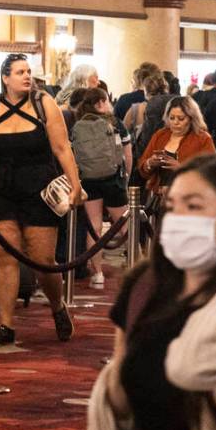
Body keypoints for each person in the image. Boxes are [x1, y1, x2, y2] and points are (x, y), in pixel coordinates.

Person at [88, 156, 216, 430]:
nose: (178, 218)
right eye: (172, 207)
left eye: (193, 206)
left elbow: (191, 371)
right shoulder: (144, 286)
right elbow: (119, 394)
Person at [0, 54, 83, 346]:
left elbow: (62, 148)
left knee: (42, 260)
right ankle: (6, 325)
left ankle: (57, 307)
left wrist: (75, 184)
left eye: (28, 71)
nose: (27, 76)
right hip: (1, 188)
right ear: (5, 78)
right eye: (20, 72)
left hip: (38, 187)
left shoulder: (45, 104)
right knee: (6, 257)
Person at [71, 88, 131, 288]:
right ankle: (136, 267)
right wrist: (127, 177)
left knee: (94, 227)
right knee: (124, 225)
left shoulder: (78, 125)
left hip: (88, 181)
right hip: (113, 179)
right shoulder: (115, 123)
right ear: (101, 103)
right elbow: (127, 154)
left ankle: (98, 274)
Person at [137, 96, 216, 195]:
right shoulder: (160, 135)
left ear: (192, 119)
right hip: (158, 197)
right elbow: (142, 168)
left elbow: (212, 174)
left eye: (181, 118)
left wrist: (181, 168)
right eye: (171, 118)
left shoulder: (203, 139)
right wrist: (149, 163)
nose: (175, 122)